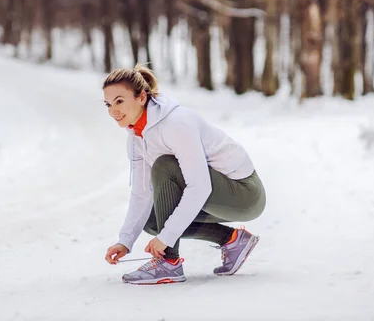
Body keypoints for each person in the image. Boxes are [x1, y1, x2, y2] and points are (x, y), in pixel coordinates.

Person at [103, 64, 266, 285]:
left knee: (165, 166)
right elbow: (142, 193)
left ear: (141, 97)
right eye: (108, 104)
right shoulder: (135, 138)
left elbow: (199, 187)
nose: (113, 111)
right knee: (152, 221)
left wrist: (167, 239)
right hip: (217, 195)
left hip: (244, 193)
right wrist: (125, 241)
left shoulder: (176, 123)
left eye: (119, 101)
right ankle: (232, 240)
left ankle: (168, 264)